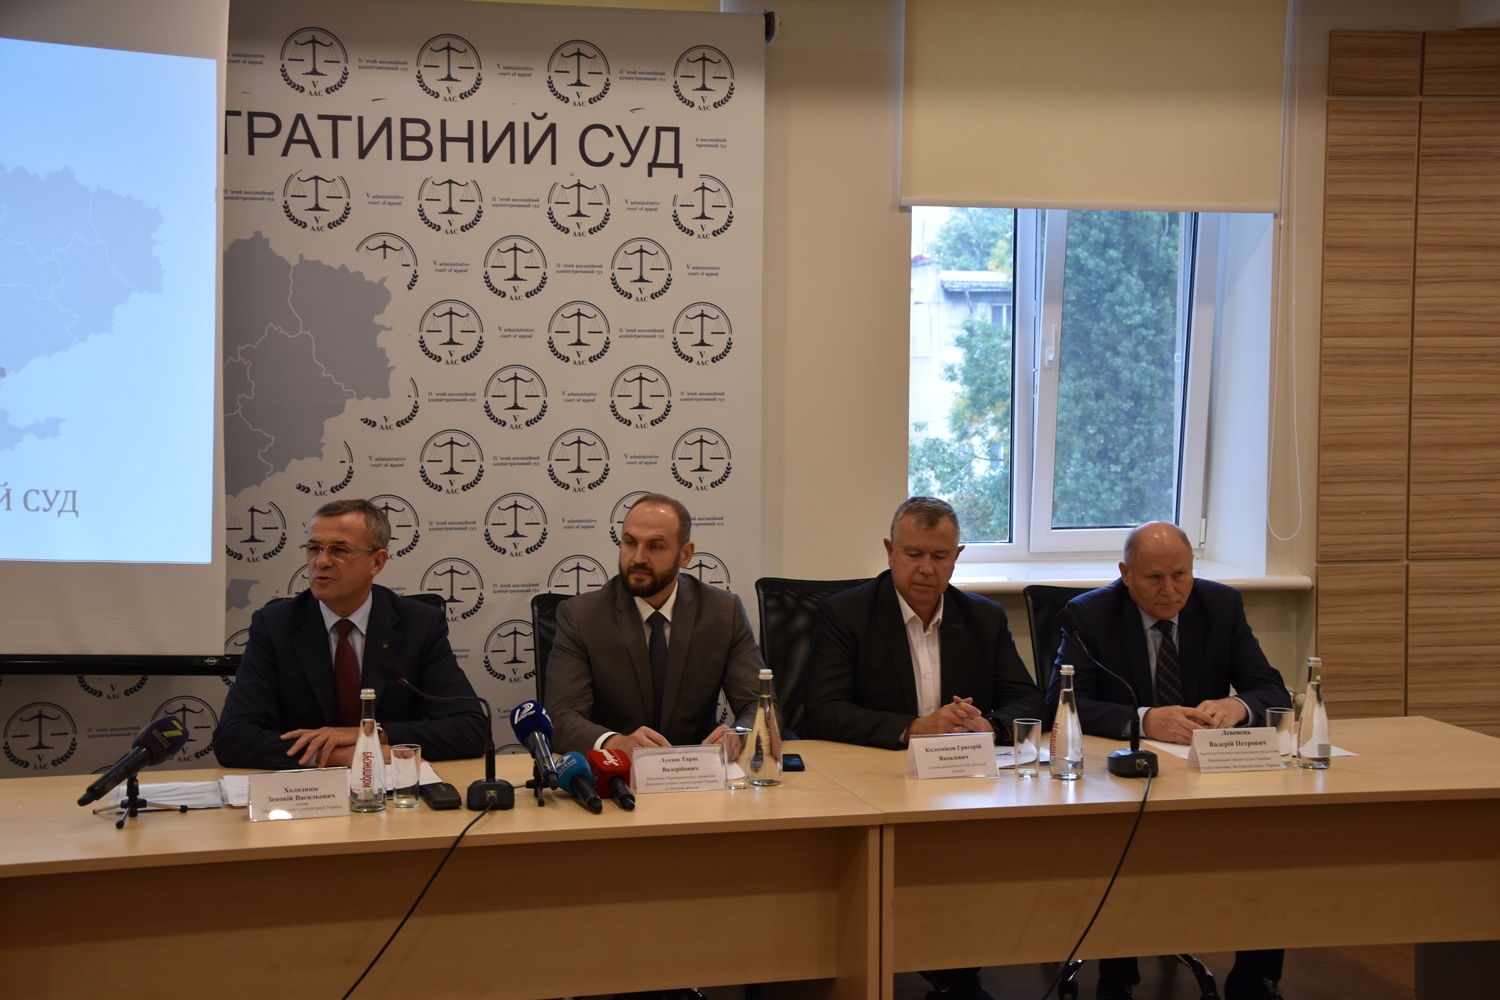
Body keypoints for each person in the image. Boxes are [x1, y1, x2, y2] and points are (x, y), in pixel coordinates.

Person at [803, 496, 1045, 1000]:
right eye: (913, 554)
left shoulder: (983, 618)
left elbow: (1027, 698)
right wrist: (915, 728)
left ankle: (958, 964)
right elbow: (822, 710)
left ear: (957, 557)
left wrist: (989, 726)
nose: (926, 569)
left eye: (939, 556)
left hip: (962, 785)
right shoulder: (845, 614)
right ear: (890, 551)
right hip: (876, 782)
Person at [1048, 520, 1292, 1000]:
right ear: (1125, 574)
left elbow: (1270, 688)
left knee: (1269, 833)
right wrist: (1144, 719)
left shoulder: (1220, 606)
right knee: (1125, 834)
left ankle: (1254, 977)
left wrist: (1236, 706)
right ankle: (1117, 976)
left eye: (1181, 575)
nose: (1170, 590)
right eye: (1154, 578)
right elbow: (1061, 701)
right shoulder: (1090, 615)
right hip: (1123, 775)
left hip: (1206, 771)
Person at [214, 498, 487, 770]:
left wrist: (369, 735)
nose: (321, 561)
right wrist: (336, 756)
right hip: (305, 789)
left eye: (339, 549)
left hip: (393, 786)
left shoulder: (419, 624)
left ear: (377, 562)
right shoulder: (274, 626)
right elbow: (232, 737)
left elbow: (470, 728)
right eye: (314, 548)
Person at [545, 493, 765, 755]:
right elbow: (561, 717)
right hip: (617, 771)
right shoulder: (581, 617)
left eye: (655, 546)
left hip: (698, 769)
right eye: (630, 543)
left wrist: (740, 734)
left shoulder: (723, 613)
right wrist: (616, 743)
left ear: (685, 555)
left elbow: (760, 704)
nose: (638, 558)